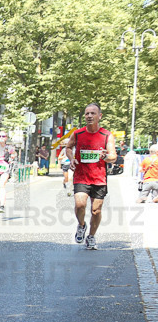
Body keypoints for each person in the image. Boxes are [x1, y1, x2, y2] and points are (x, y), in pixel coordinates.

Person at [66, 103, 117, 250]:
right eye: (87, 113)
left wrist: (105, 156)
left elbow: (113, 156)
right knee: (80, 204)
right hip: (81, 176)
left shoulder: (106, 135)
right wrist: (71, 159)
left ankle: (91, 236)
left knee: (96, 210)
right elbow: (68, 147)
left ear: (99, 116)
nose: (89, 116)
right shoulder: (78, 133)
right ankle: (81, 225)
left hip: (99, 178)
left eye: (93, 113)